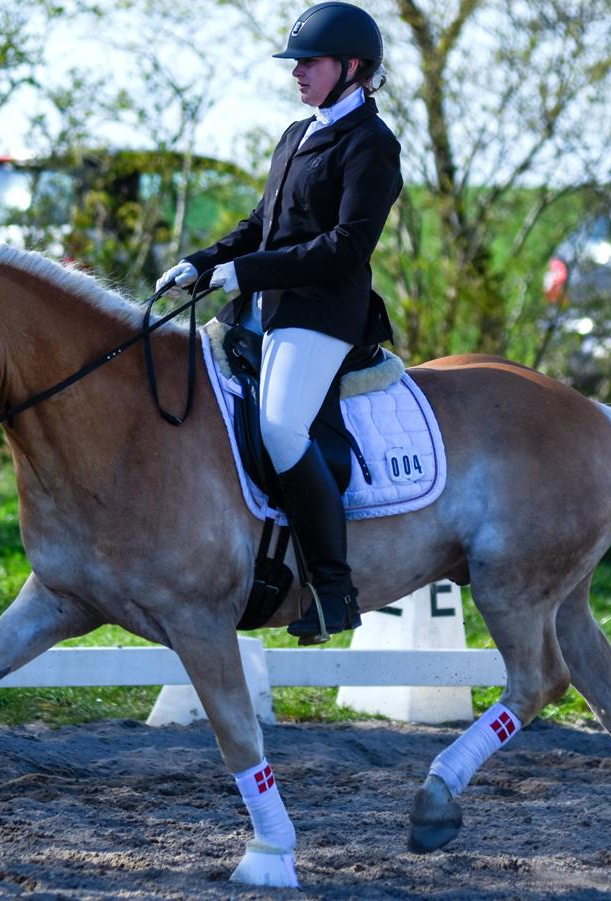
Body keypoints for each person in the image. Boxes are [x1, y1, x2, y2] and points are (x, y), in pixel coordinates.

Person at [157, 1, 403, 643]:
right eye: (295, 62)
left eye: (310, 62)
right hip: (264, 308)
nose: (297, 73)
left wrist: (249, 274)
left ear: (353, 68)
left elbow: (348, 245)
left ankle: (332, 589)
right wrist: (203, 261)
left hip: (321, 314)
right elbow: (259, 226)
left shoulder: (372, 145)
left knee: (280, 425)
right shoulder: (297, 135)